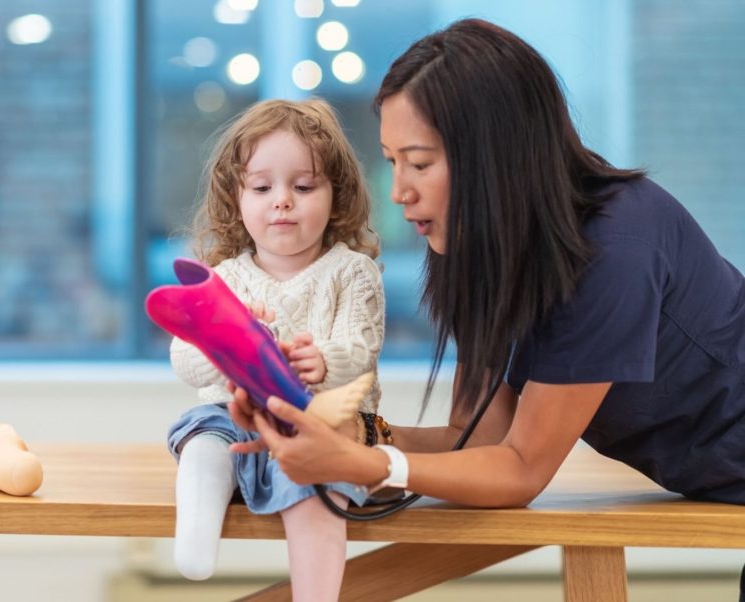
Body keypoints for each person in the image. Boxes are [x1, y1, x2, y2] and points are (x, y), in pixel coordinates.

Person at [229, 18, 744, 520]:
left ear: (495, 154)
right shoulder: (481, 247)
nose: (399, 192)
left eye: (421, 163)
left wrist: (366, 462)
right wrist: (352, 435)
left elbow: (521, 469)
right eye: (392, 160)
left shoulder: (617, 248)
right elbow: (476, 441)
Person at [165, 98, 385, 599]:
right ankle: (195, 547)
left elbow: (363, 344)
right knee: (201, 442)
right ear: (236, 200)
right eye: (262, 187)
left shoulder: (352, 272)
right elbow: (184, 359)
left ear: (337, 195)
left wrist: (324, 360)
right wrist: (230, 347)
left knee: (317, 492)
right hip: (234, 416)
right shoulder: (223, 280)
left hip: (321, 420)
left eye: (303, 186)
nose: (282, 200)